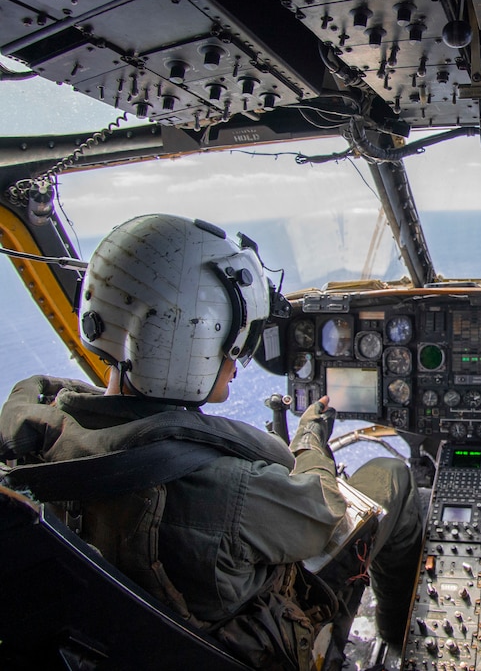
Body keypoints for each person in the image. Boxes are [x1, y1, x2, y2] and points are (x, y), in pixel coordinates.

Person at [0, 214, 421, 669]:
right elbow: (323, 512)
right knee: (390, 476)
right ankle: (397, 639)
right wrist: (309, 439)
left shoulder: (33, 448)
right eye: (236, 341)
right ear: (193, 336)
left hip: (141, 646)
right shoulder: (224, 485)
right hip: (253, 641)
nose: (238, 358)